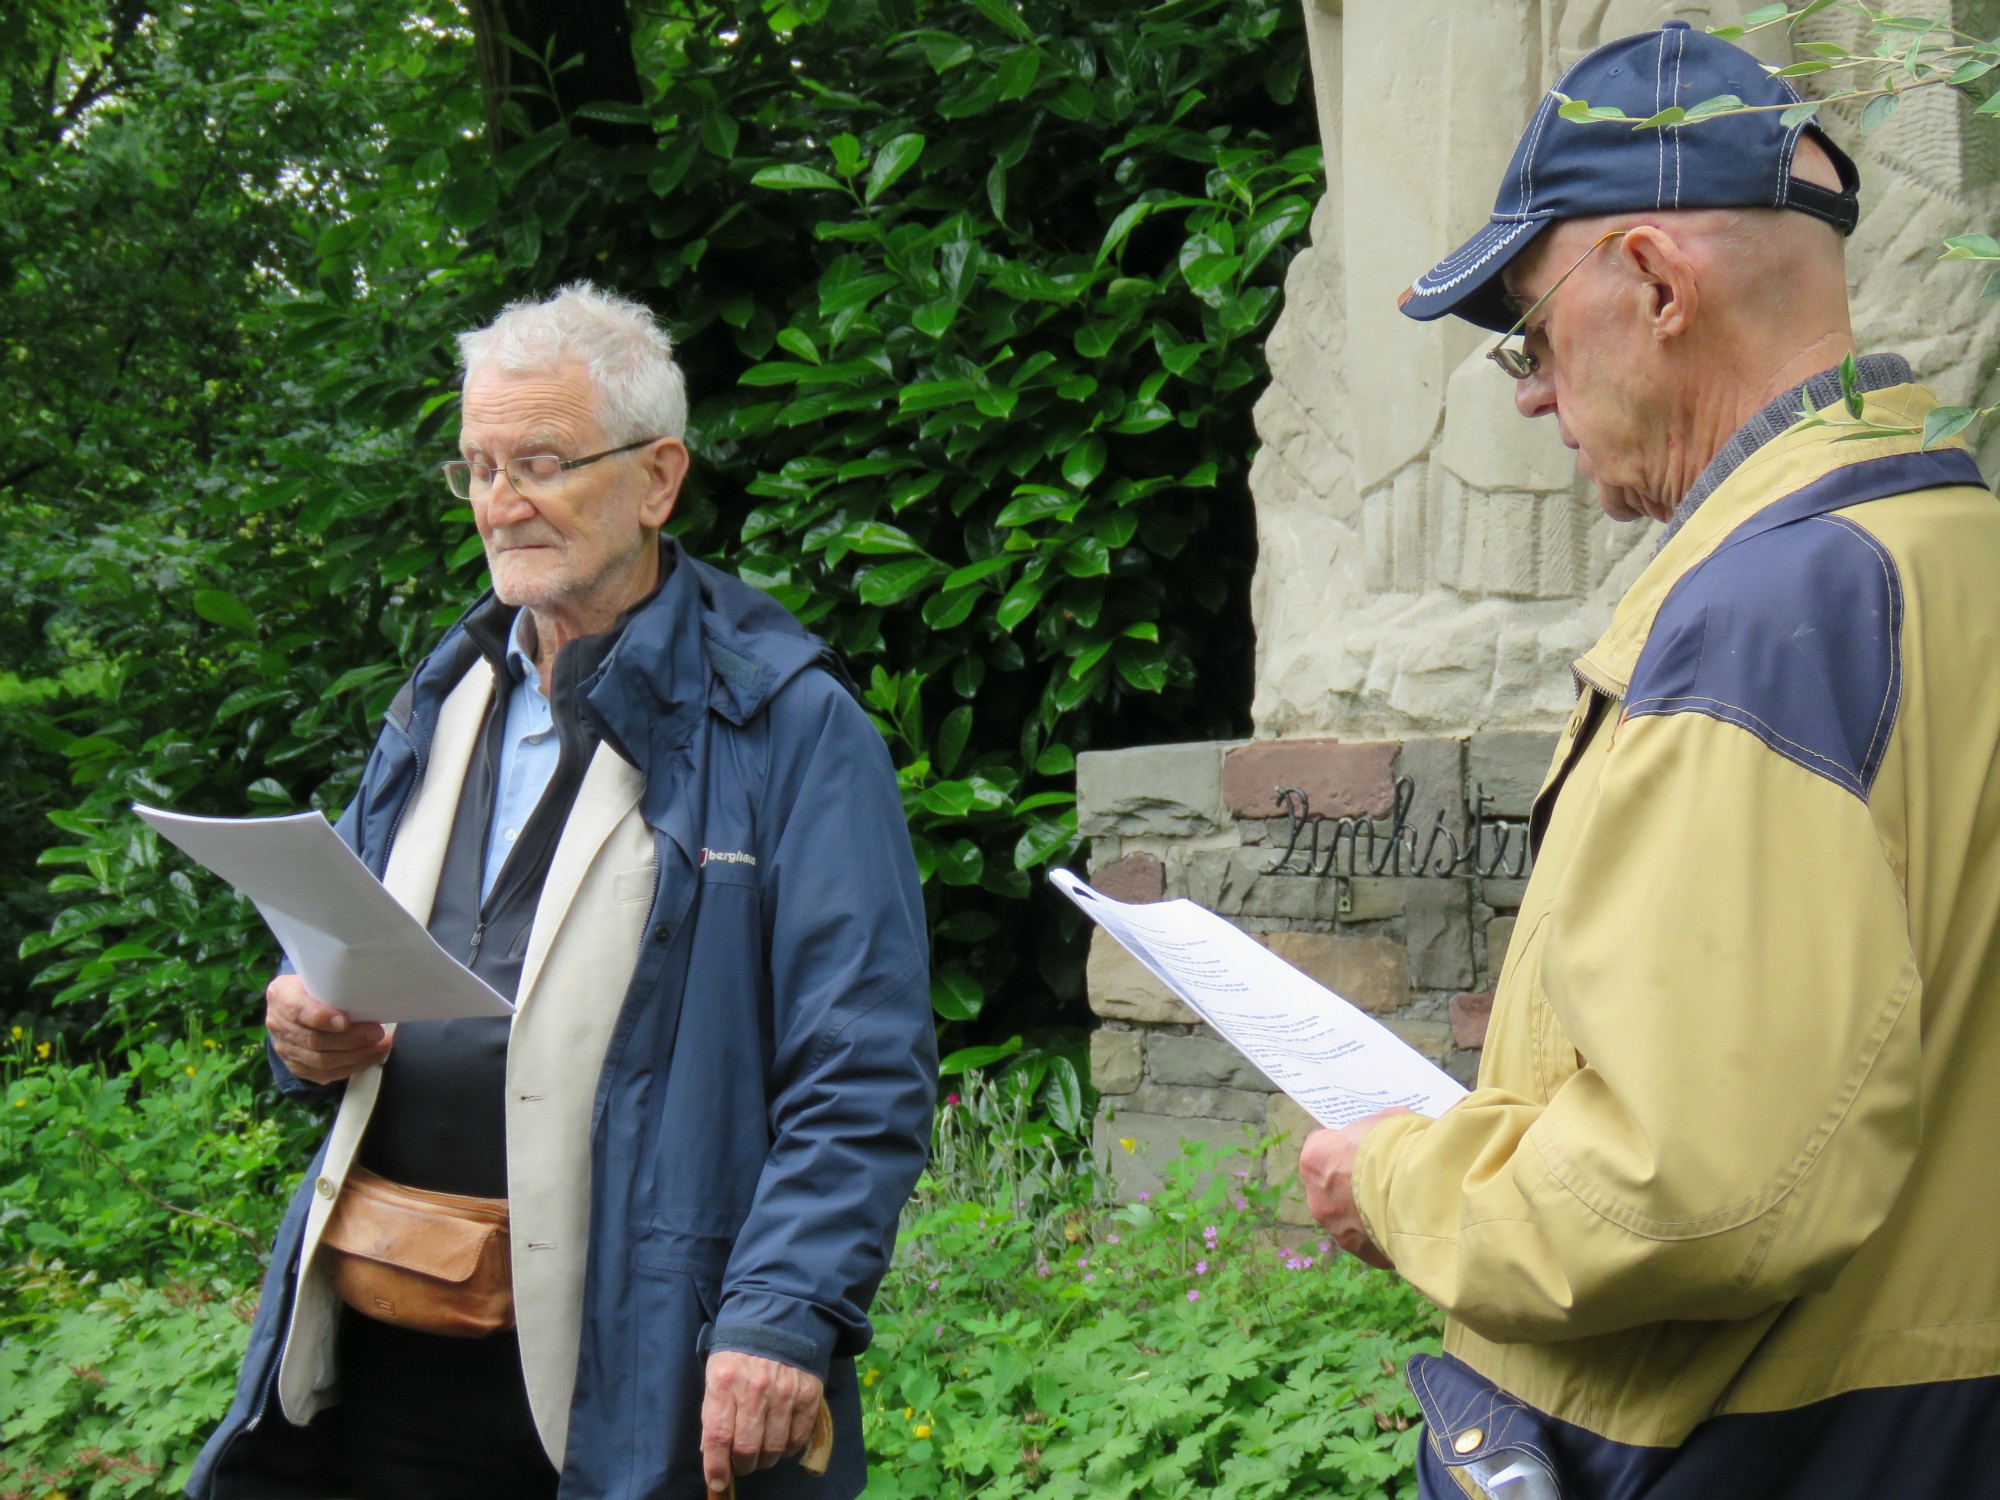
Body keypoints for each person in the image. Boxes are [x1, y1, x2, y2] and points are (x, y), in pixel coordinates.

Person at [1296, 22, 2000, 1500]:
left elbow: (1699, 1192)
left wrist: (1405, 1181)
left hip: (1765, 1449)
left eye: (1533, 332)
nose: (1531, 392)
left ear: (1658, 286)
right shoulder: (1955, 548)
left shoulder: (1763, 615)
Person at [187, 283, 937, 1500]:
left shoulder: (785, 723)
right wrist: (306, 1031)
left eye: (539, 460)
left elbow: (862, 1062)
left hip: (642, 1355)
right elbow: (355, 957)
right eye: (477, 467)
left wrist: (783, 1310)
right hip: (391, 1343)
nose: (500, 502)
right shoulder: (444, 691)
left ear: (656, 478)